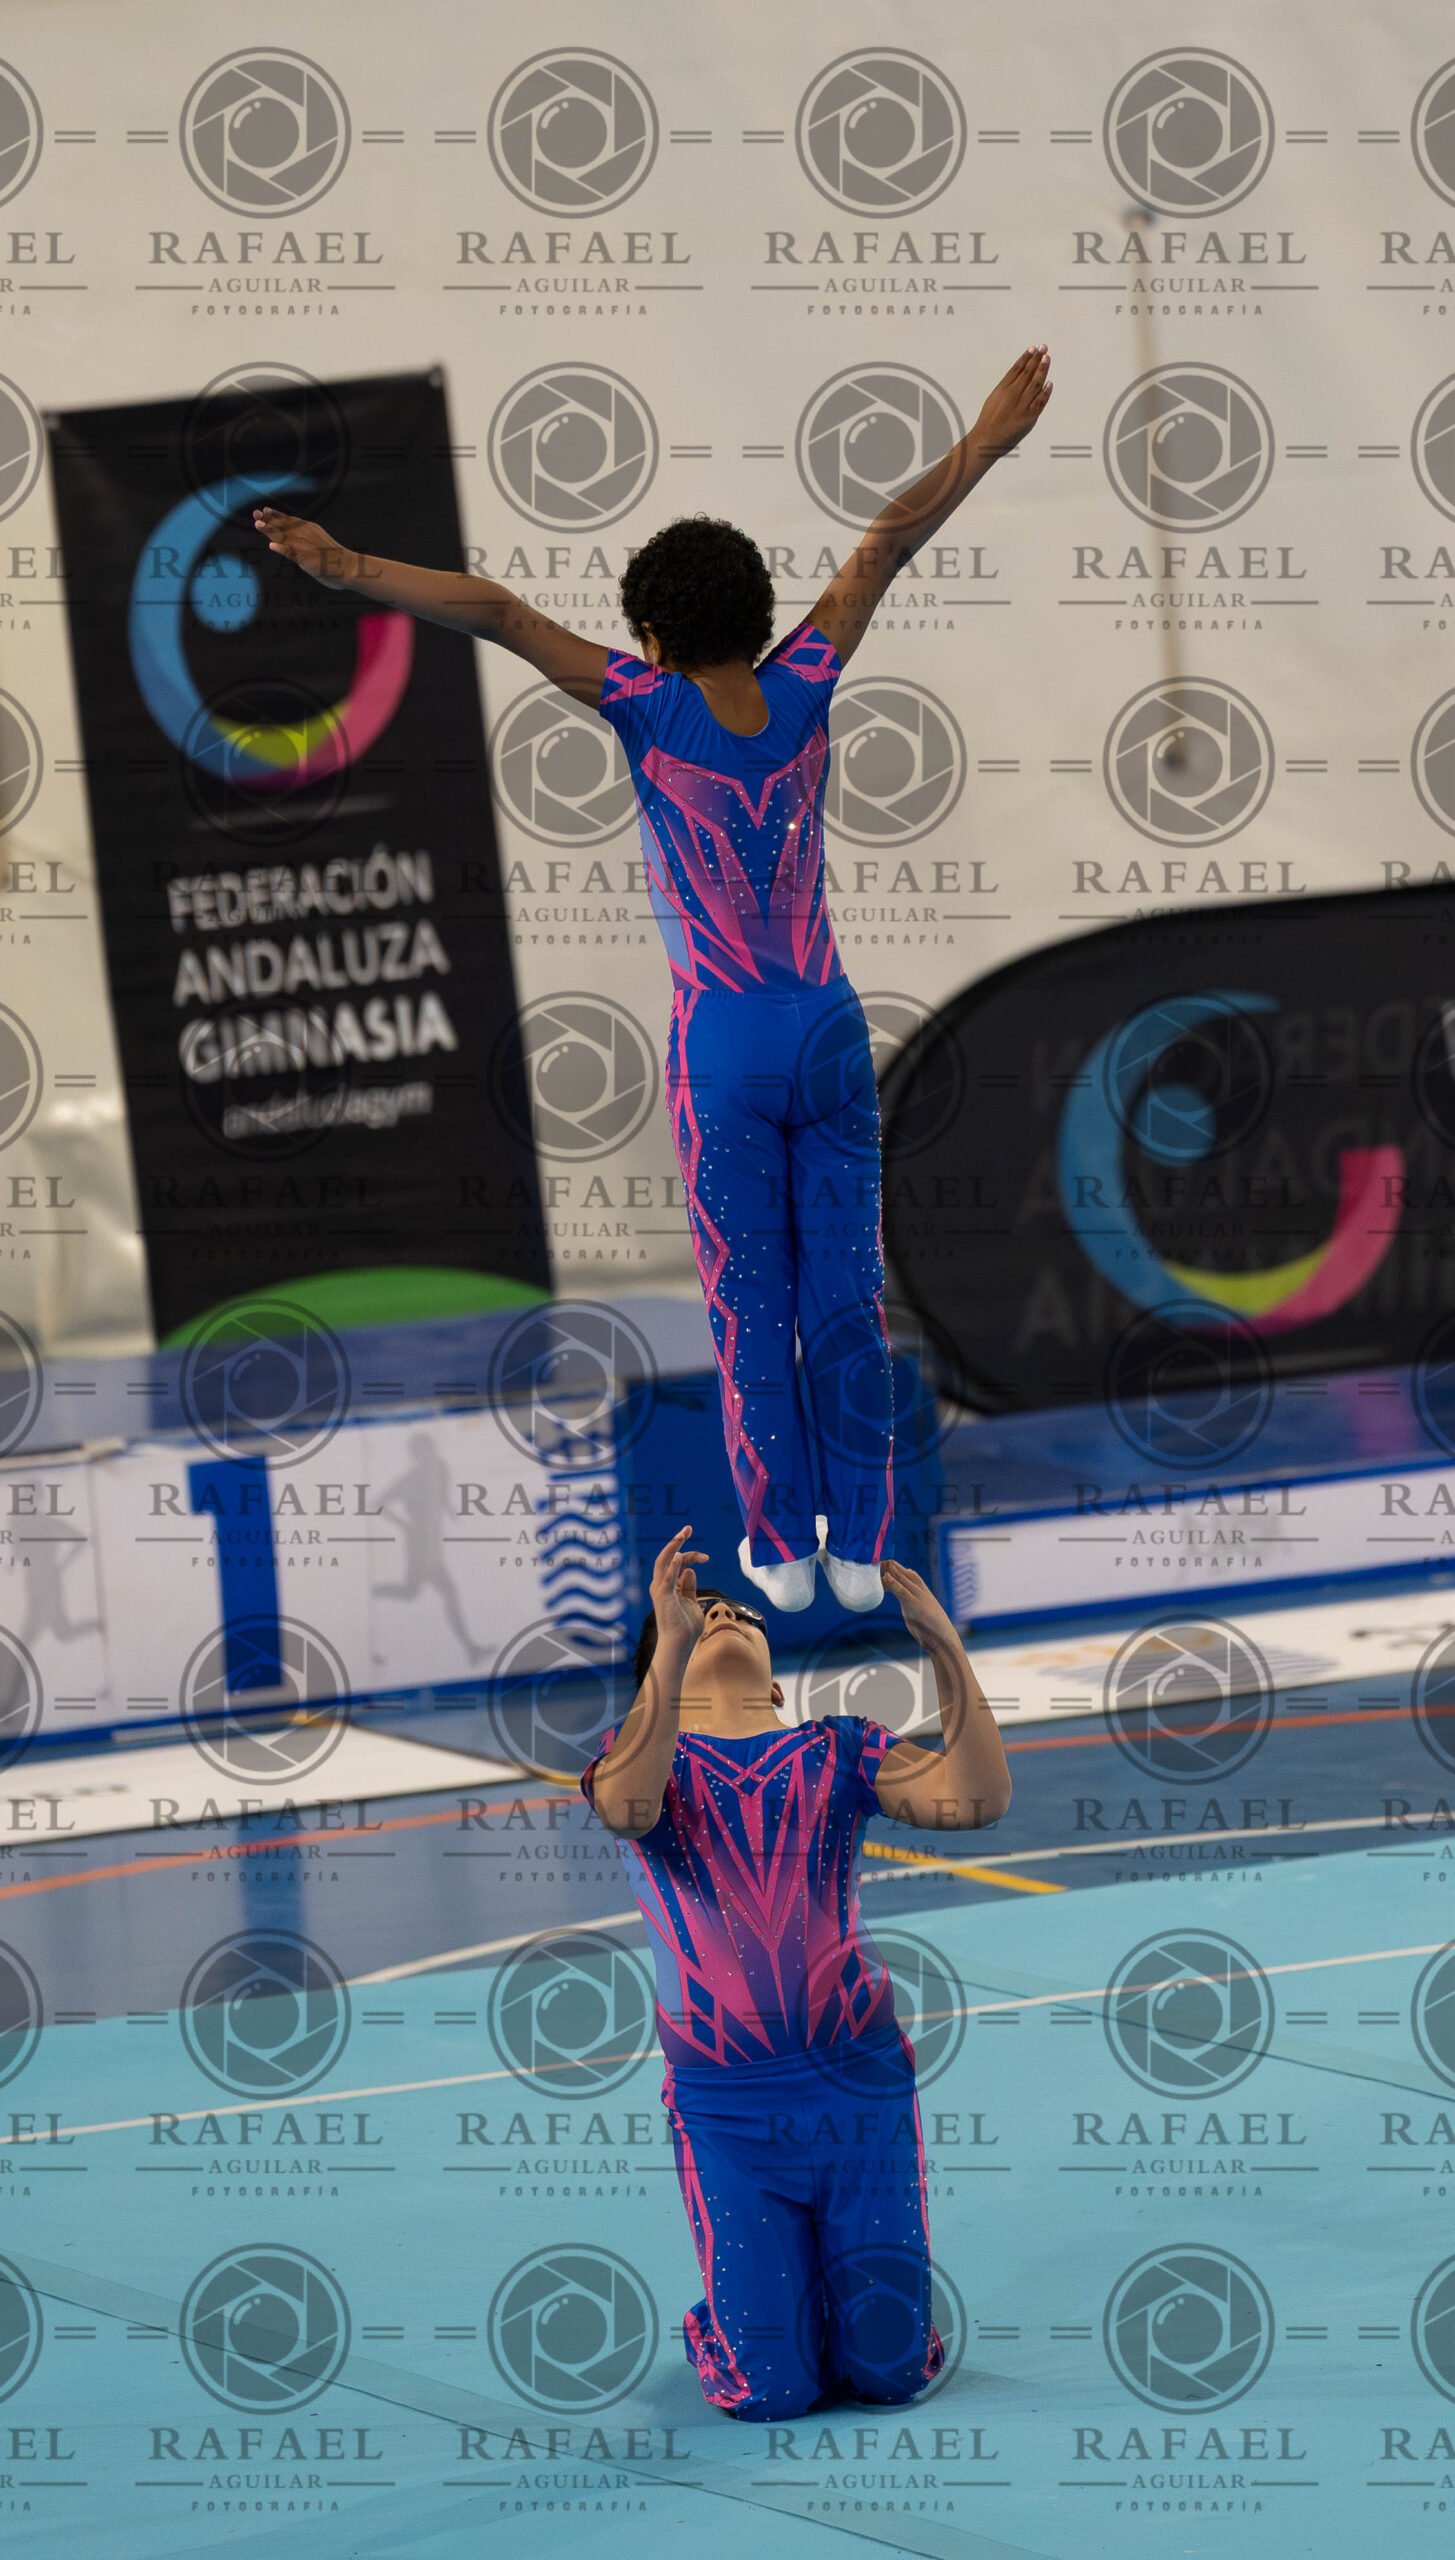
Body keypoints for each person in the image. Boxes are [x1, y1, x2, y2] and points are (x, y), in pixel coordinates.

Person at [253, 346, 1053, 1613]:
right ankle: (861, 1541)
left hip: (723, 1049)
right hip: (829, 1033)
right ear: (757, 616)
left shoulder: (643, 701)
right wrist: (987, 441)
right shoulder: (807, 679)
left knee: (749, 1300)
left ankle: (780, 1542)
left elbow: (499, 611)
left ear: (655, 637)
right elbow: (884, 543)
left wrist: (349, 568)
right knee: (847, 1297)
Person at [577, 1524, 1011, 2424]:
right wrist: (667, 1646)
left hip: (859, 2087)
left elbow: (977, 1800)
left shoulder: (839, 1748)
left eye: (741, 1613)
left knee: (891, 2375)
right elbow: (625, 1808)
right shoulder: (641, 1758)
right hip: (728, 2109)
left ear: (776, 1681)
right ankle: (730, 2321)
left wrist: (942, 1645)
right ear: (662, 1673)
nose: (724, 1615)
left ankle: (826, 2317)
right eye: (700, 1615)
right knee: (769, 2393)